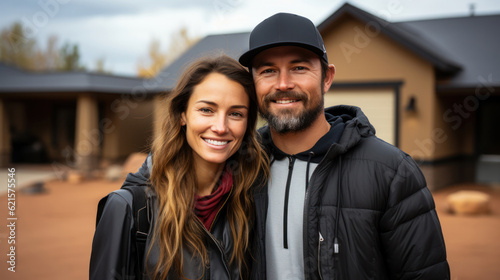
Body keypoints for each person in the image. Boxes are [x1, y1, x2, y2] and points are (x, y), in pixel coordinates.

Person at [238, 13, 450, 279]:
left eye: (299, 68)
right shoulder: (240, 167)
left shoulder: (392, 172)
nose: (283, 84)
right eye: (268, 71)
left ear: (327, 77)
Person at [89, 55, 269, 280]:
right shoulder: (128, 208)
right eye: (206, 110)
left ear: (248, 124)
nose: (221, 127)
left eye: (236, 114)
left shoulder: (251, 202)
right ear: (182, 114)